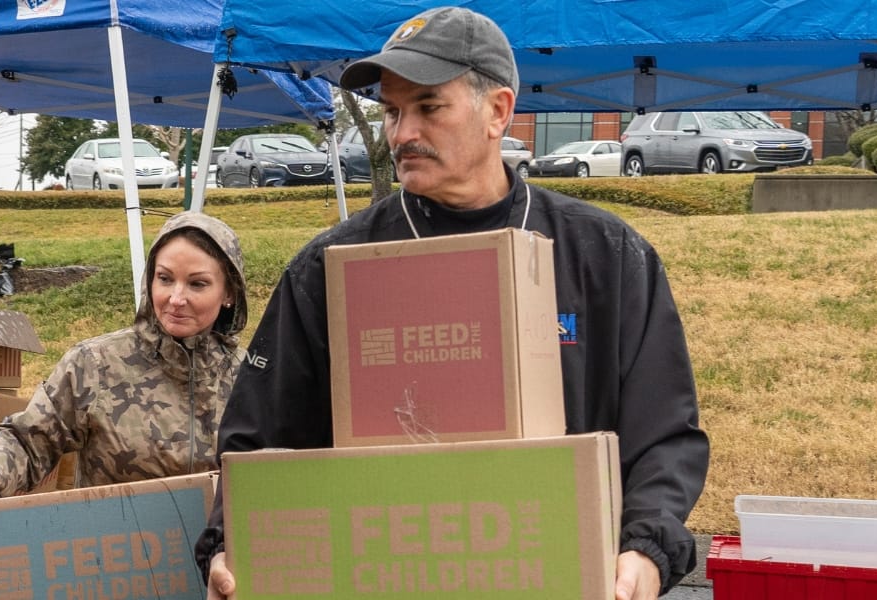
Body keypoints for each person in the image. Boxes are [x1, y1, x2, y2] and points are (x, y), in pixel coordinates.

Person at [193, 7, 709, 600]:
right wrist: (229, 541)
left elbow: (665, 435)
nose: (402, 133)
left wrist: (644, 549)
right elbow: (258, 439)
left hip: (563, 578)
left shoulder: (604, 255)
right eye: (391, 111)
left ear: (498, 112)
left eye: (428, 108)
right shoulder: (333, 268)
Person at [0, 211, 247, 533]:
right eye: (164, 279)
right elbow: (28, 441)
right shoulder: (96, 364)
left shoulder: (251, 379)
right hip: (117, 562)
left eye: (198, 284)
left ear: (229, 293)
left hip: (219, 571)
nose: (176, 299)